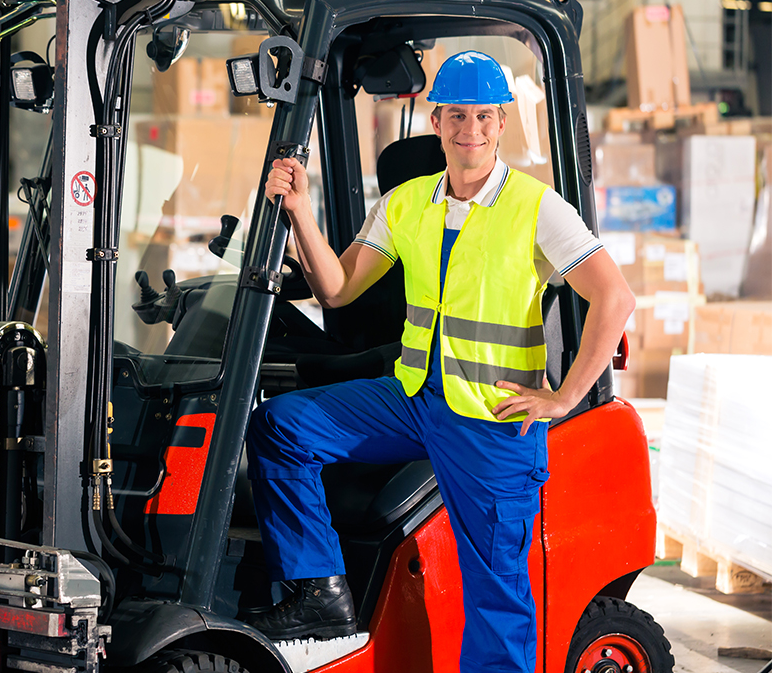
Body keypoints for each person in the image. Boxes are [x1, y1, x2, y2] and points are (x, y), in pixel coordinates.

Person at [245, 51, 636, 672]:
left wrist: (563, 398)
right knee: (280, 426)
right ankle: (319, 593)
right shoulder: (406, 204)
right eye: (457, 115)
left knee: (497, 597)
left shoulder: (537, 208)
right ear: (436, 121)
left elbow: (615, 298)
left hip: (490, 421)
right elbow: (337, 288)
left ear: (502, 122)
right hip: (413, 399)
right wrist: (298, 212)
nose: (470, 129)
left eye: (483, 116)